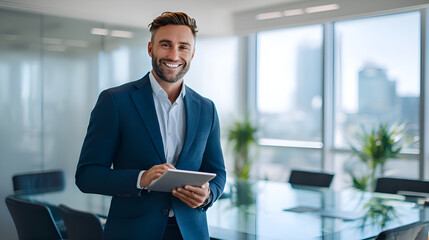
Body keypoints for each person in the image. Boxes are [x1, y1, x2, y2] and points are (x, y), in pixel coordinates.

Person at [75, 12, 226, 240]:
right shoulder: (115, 101)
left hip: (192, 233)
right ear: (150, 48)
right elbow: (87, 175)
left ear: (192, 53)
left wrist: (208, 194)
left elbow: (218, 172)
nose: (174, 54)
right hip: (132, 233)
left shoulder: (206, 108)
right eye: (166, 44)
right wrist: (141, 178)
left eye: (183, 47)